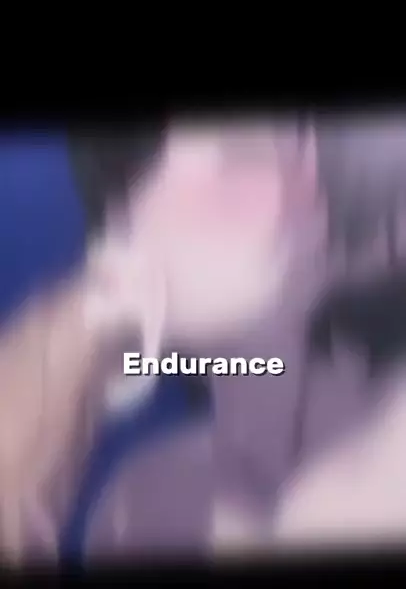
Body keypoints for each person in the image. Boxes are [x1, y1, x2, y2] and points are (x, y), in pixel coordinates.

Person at [0, 112, 404, 566]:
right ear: (122, 232)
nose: (307, 173)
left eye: (303, 142)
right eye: (242, 157)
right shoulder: (156, 504)